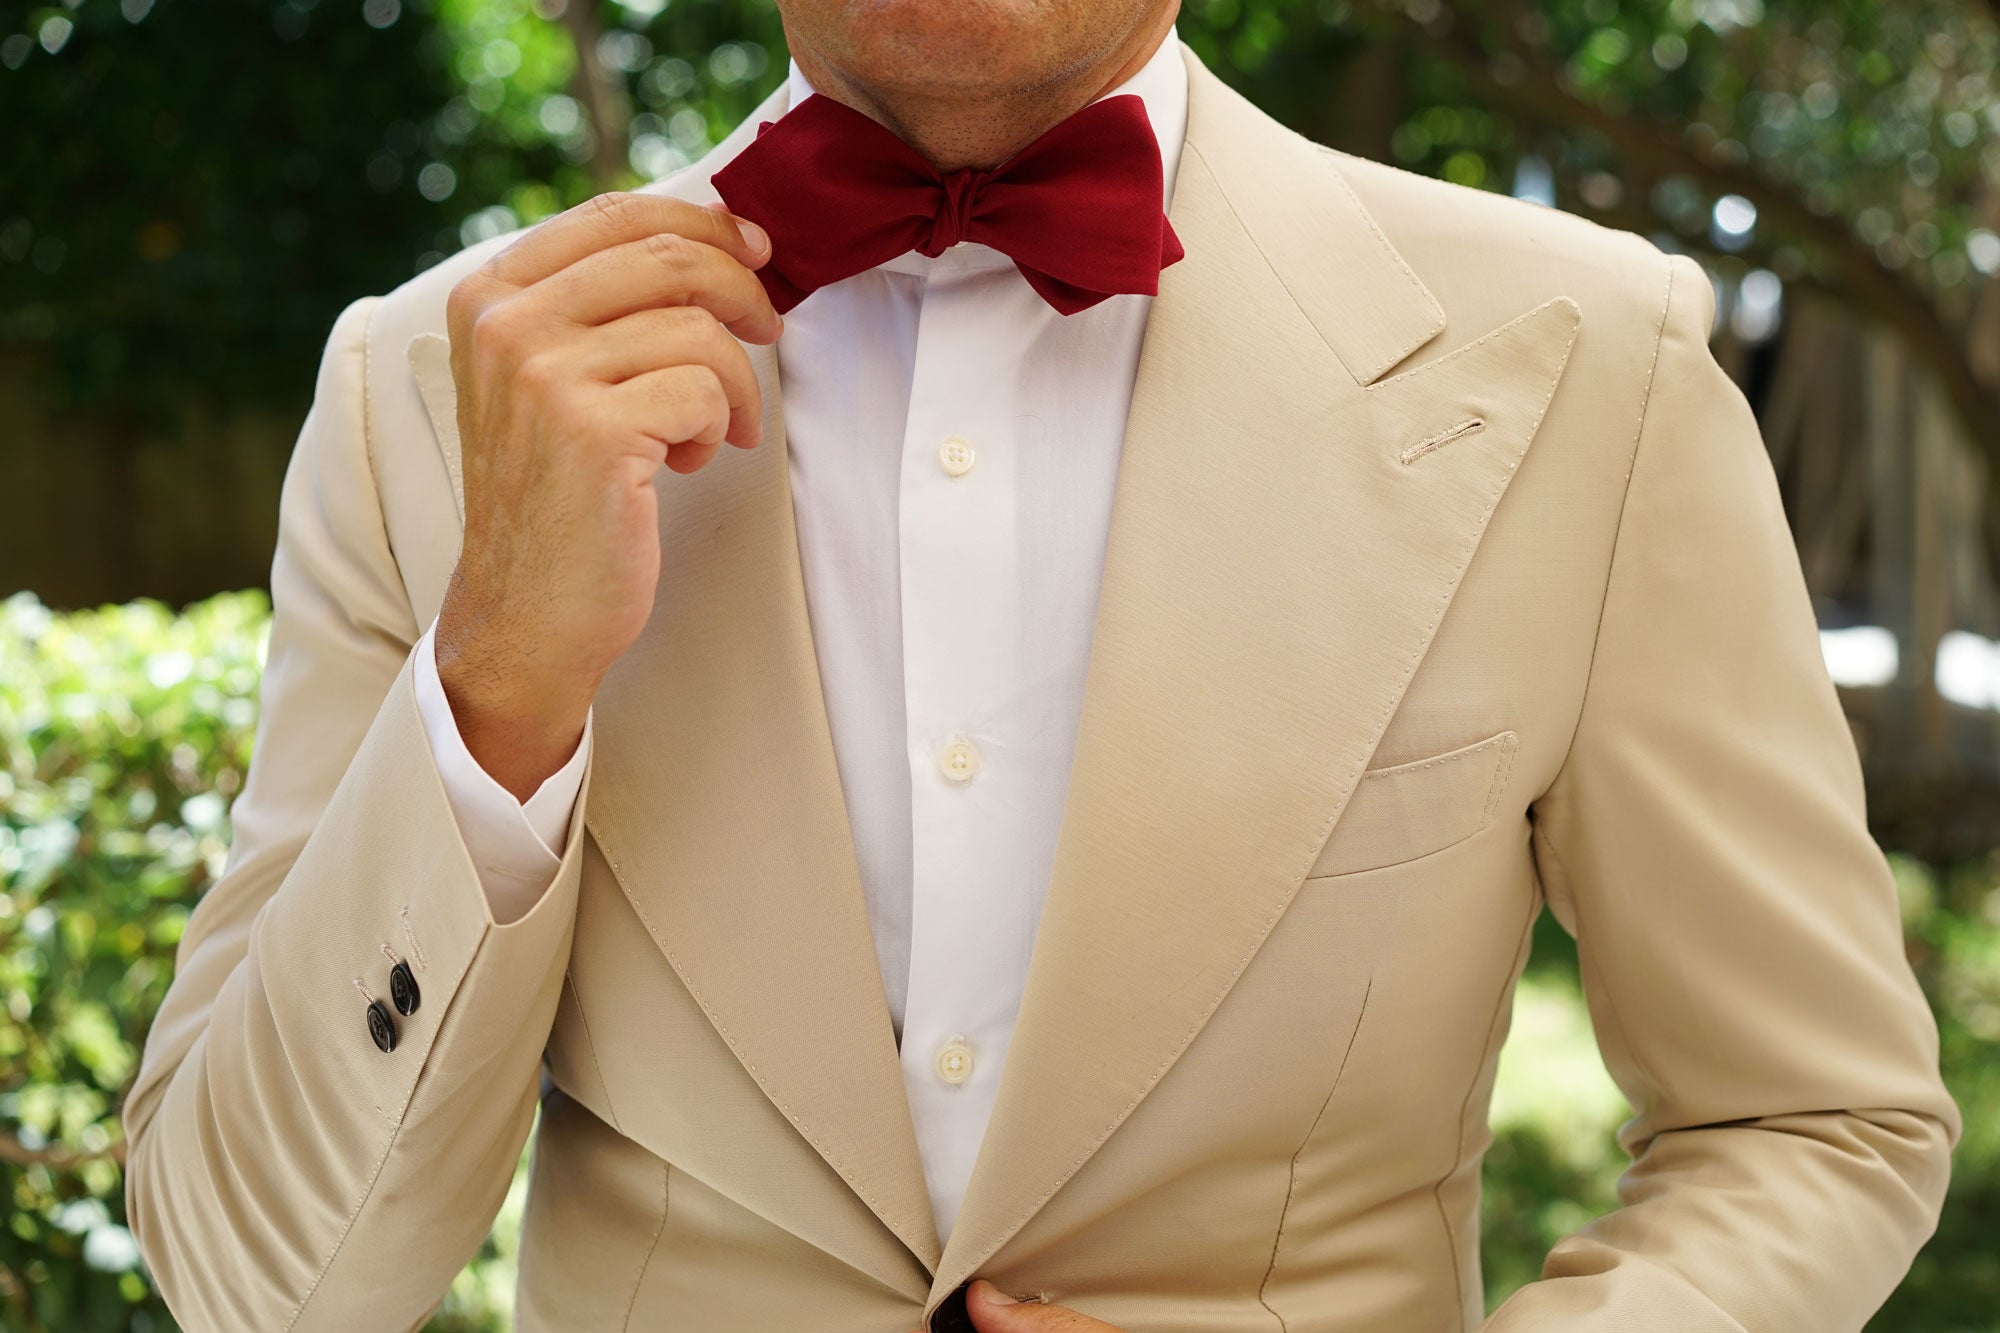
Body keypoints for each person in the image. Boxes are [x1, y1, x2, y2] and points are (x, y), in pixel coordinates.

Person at [121, 0, 1960, 1328]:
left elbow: (1810, 1119)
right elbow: (250, 1284)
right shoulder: (422, 392)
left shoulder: (1589, 365)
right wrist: (494, 691)